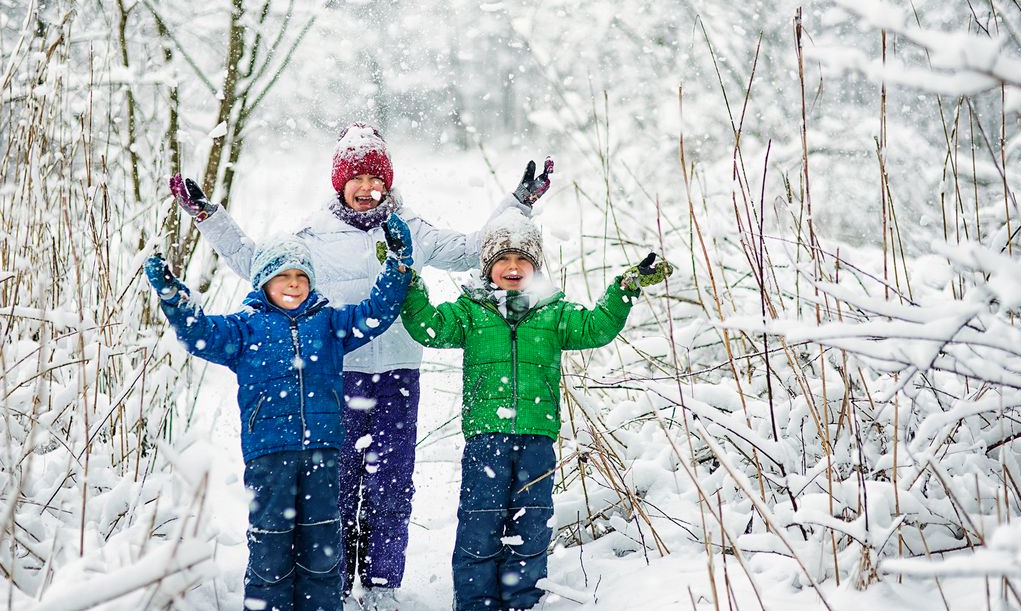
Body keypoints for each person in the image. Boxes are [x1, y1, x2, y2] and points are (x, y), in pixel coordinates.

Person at [169, 122, 555, 610]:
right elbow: (254, 260)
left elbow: (474, 248)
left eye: (377, 178)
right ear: (340, 183)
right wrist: (208, 217)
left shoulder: (411, 229)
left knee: (391, 483)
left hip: (399, 375)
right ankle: (332, 582)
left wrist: (519, 203)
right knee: (338, 485)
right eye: (358, 178)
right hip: (340, 377)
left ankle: (381, 584)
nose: (368, 188)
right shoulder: (313, 236)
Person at [400, 209, 673, 611]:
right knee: (480, 522)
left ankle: (522, 602)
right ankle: (475, 603)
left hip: (537, 436)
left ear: (535, 266)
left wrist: (625, 288)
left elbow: (596, 327)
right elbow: (430, 328)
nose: (513, 267)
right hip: (486, 435)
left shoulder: (553, 313)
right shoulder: (469, 312)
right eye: (503, 259)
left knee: (531, 524)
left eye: (522, 259)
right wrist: (407, 282)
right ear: (487, 266)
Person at [143, 220, 412, 611]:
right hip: (269, 455)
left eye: (301, 276)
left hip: (322, 452)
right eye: (282, 275)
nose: (293, 283)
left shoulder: (329, 323)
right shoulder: (245, 328)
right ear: (263, 281)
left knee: (322, 549)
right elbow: (200, 334)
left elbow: (378, 312)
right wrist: (174, 298)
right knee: (270, 548)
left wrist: (398, 264)